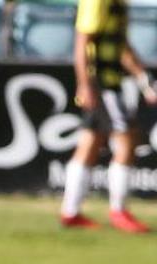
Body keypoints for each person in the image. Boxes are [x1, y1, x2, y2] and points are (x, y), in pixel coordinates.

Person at [59, 0, 157, 233]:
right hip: (101, 84)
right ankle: (119, 211)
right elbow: (82, 41)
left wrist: (144, 80)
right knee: (126, 139)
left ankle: (70, 212)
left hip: (109, 84)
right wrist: (85, 84)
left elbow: (121, 47)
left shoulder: (119, 3)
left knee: (89, 143)